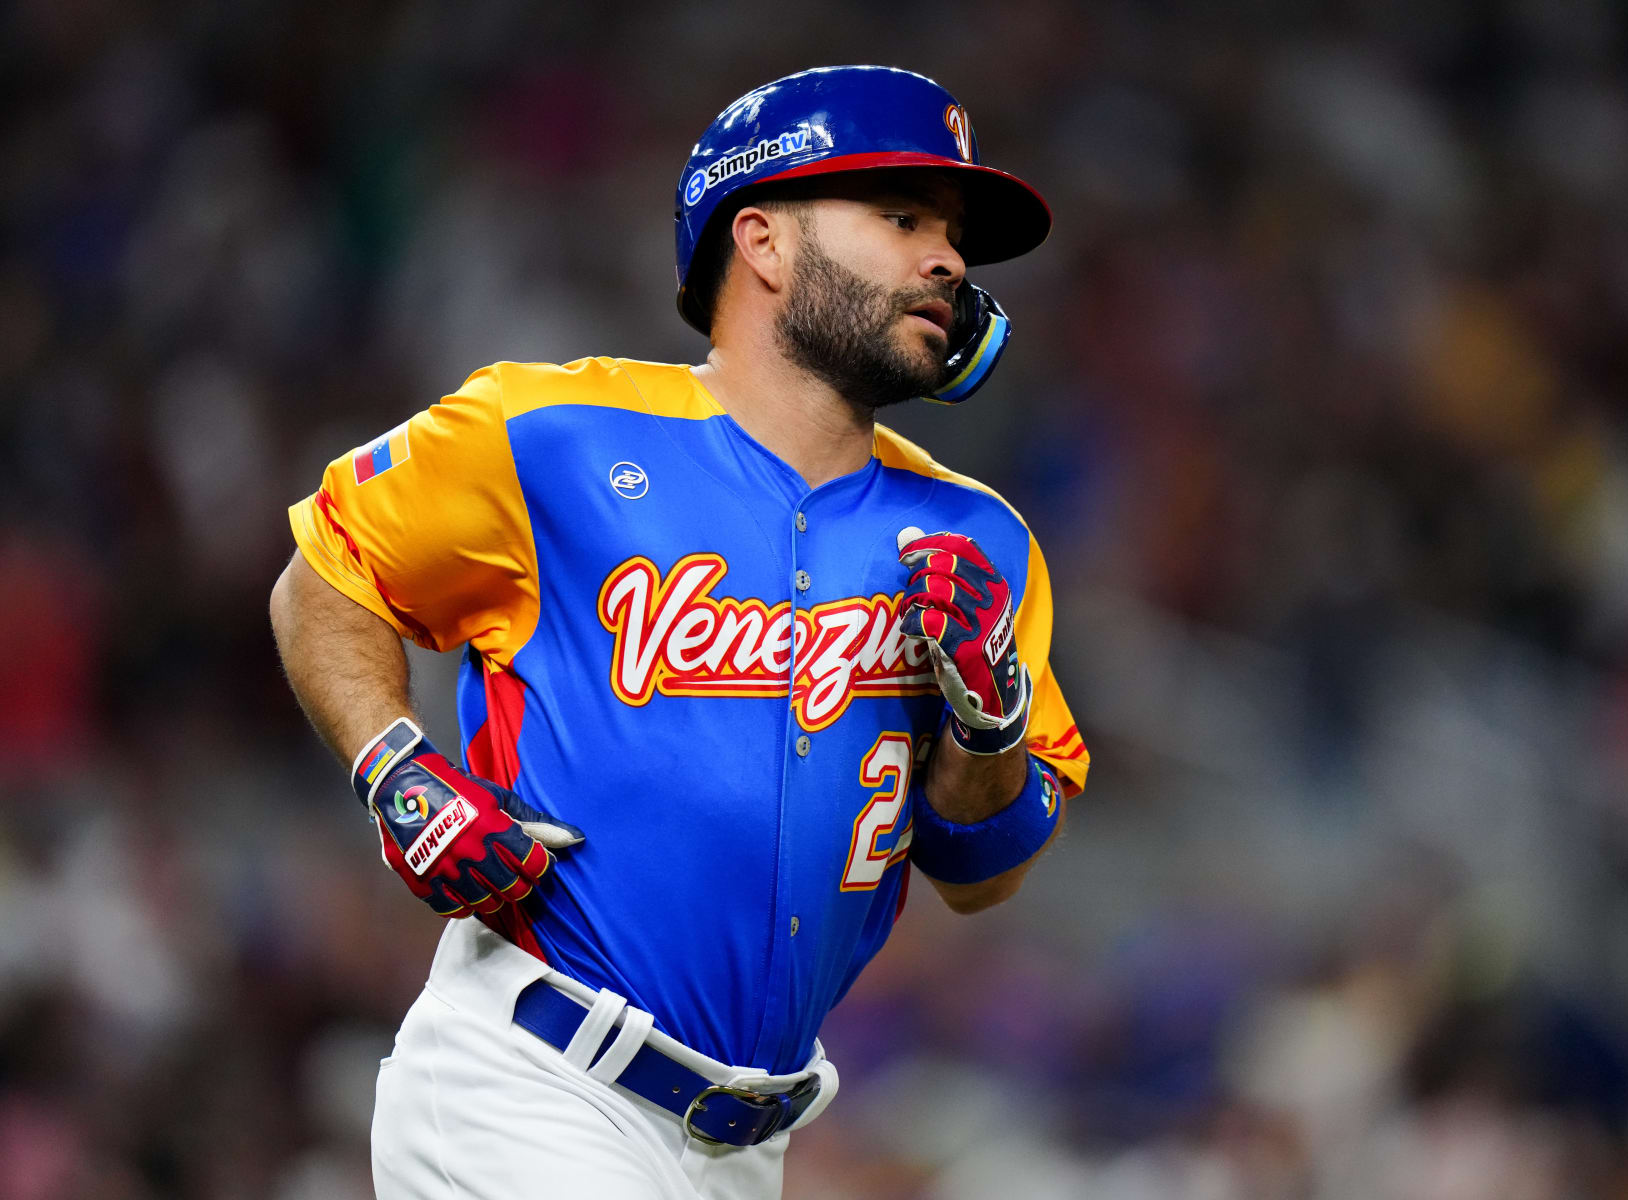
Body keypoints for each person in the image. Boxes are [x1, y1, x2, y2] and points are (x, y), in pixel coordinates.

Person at [268, 64, 1088, 1200]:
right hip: (532, 1080)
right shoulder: (549, 431)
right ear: (762, 241)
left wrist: (988, 715)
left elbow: (983, 868)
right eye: (902, 217)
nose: (947, 258)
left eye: (953, 233)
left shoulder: (980, 539)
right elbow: (324, 576)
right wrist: (398, 771)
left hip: (748, 1147)